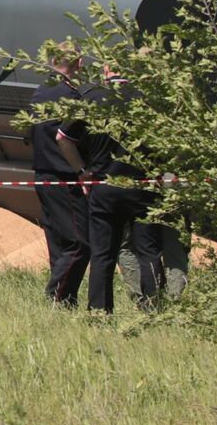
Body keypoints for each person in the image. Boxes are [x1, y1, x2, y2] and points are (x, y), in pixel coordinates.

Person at [69, 67, 167, 313]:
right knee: (149, 251)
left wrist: (82, 171)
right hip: (142, 186)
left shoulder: (90, 97)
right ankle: (154, 308)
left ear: (105, 70)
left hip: (104, 186)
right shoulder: (145, 97)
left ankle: (100, 312)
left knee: (103, 255)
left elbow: (62, 138)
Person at [28, 43, 93, 305]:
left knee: (59, 243)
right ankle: (57, 296)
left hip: (42, 174)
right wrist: (83, 170)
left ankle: (64, 304)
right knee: (80, 244)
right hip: (65, 176)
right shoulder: (71, 96)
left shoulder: (39, 92)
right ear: (79, 63)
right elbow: (72, 137)